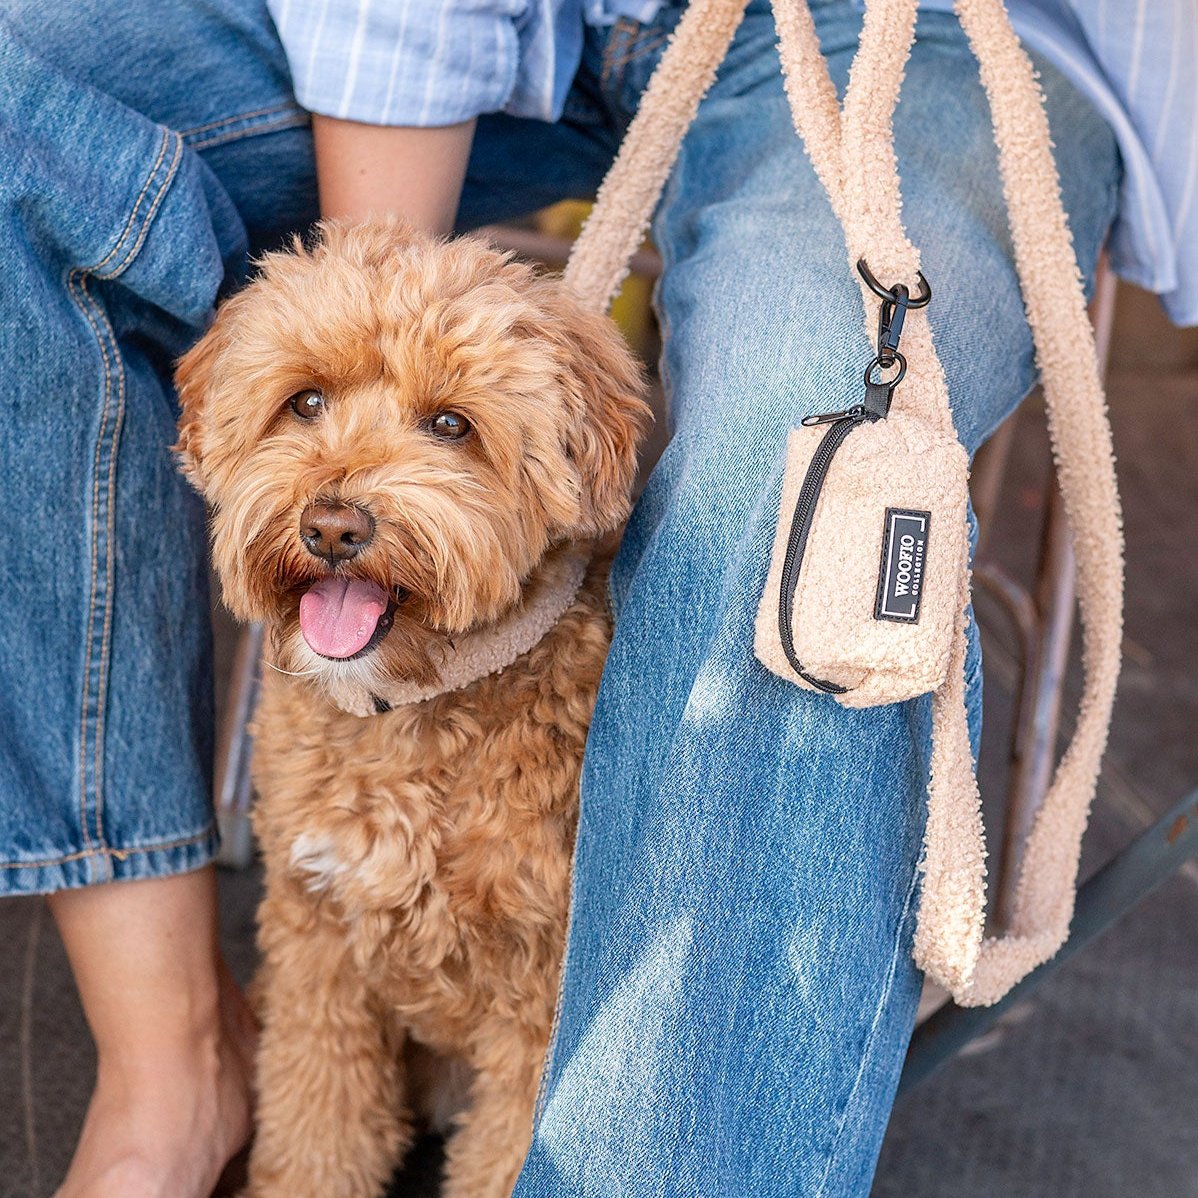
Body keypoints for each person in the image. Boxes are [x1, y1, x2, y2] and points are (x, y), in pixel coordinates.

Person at [0, 0, 1193, 1194]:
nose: (338, 495)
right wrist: (366, 311)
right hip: (523, 32)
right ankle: (172, 1063)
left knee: (795, 459)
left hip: (902, 32)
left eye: (451, 426)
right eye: (303, 407)